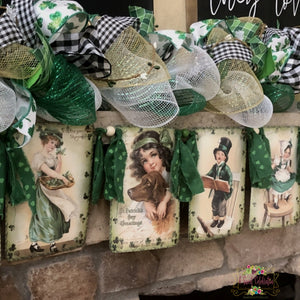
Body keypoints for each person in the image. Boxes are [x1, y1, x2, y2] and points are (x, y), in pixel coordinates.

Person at [29, 129, 77, 253]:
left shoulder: (52, 157)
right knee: (45, 215)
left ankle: (52, 244)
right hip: (41, 189)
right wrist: (62, 178)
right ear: (45, 141)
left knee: (57, 212)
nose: (53, 146)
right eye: (51, 142)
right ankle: (34, 243)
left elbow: (55, 173)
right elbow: (48, 172)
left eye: (55, 144)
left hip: (51, 187)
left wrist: (59, 160)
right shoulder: (38, 157)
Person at [129, 130, 173, 220]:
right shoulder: (147, 179)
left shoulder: (169, 176)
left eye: (153, 155)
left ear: (162, 153)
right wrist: (146, 202)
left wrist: (163, 202)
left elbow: (172, 189)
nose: (151, 163)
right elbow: (146, 192)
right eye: (145, 161)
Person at [206, 137, 233, 229]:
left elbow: (230, 177)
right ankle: (215, 219)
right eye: (218, 153)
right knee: (214, 204)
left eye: (222, 154)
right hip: (216, 190)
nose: (219, 156)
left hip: (224, 191)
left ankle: (221, 220)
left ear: (225, 158)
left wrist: (228, 185)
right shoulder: (214, 167)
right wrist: (205, 178)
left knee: (221, 205)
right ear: (215, 155)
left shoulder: (226, 168)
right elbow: (209, 174)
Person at [270, 140, 296, 209]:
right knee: (277, 188)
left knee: (287, 183)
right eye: (285, 152)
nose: (286, 154)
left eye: (288, 153)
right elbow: (273, 165)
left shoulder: (287, 160)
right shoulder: (278, 159)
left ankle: (286, 196)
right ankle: (275, 202)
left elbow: (287, 167)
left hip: (284, 174)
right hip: (278, 174)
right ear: (282, 150)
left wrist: (292, 172)